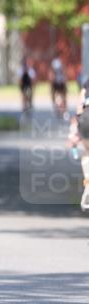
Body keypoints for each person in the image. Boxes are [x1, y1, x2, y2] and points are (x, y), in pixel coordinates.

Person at [68, 75, 89, 211]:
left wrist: (74, 133)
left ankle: (88, 190)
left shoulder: (87, 82)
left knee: (86, 155)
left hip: (86, 119)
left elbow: (79, 109)